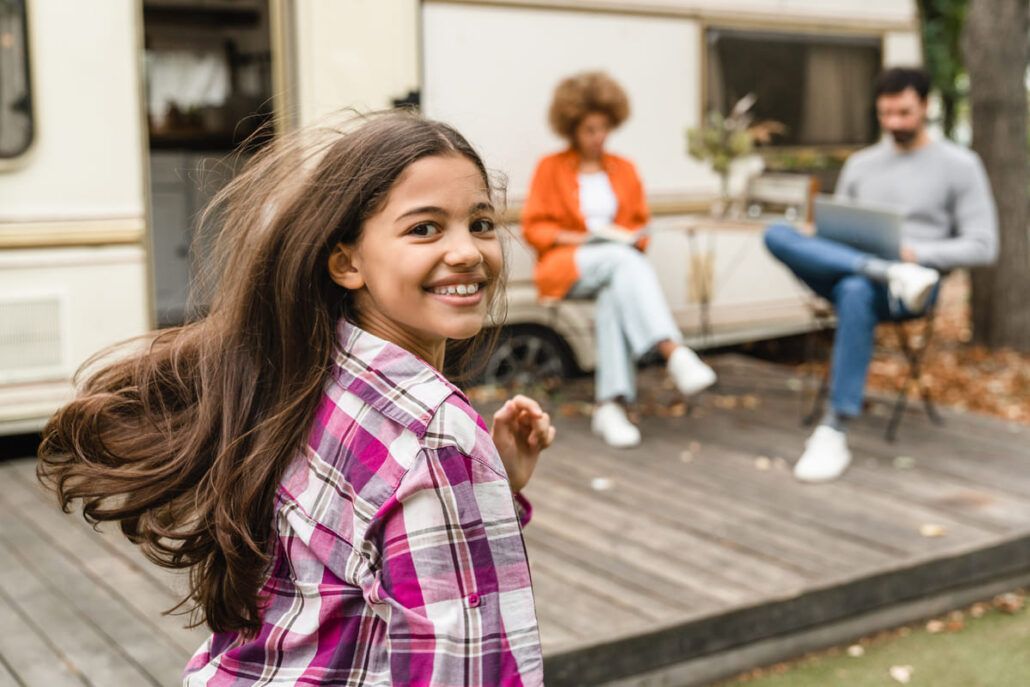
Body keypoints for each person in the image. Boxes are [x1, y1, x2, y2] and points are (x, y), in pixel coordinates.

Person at [37, 112, 552, 685]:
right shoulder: (435, 434)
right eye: (425, 229)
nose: (468, 252)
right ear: (347, 262)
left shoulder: (310, 372)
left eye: (480, 223)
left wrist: (493, 487)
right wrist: (469, 473)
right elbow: (464, 671)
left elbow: (366, 565)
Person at [764, 67, 998, 483]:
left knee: (855, 290)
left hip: (913, 287)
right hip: (854, 266)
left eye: (904, 113)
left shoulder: (961, 166)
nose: (894, 123)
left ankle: (834, 428)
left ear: (926, 106)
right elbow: (839, 227)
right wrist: (817, 237)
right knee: (777, 234)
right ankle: (882, 268)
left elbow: (984, 244)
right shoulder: (861, 164)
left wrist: (916, 253)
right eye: (886, 113)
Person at [521, 71, 716, 449]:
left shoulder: (624, 168)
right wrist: (581, 236)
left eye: (604, 128)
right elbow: (535, 228)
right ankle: (672, 351)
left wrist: (629, 236)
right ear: (572, 128)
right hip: (566, 263)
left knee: (616, 286)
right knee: (620, 259)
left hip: (617, 263)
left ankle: (609, 405)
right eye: (590, 129)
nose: (598, 137)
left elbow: (639, 223)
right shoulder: (551, 167)